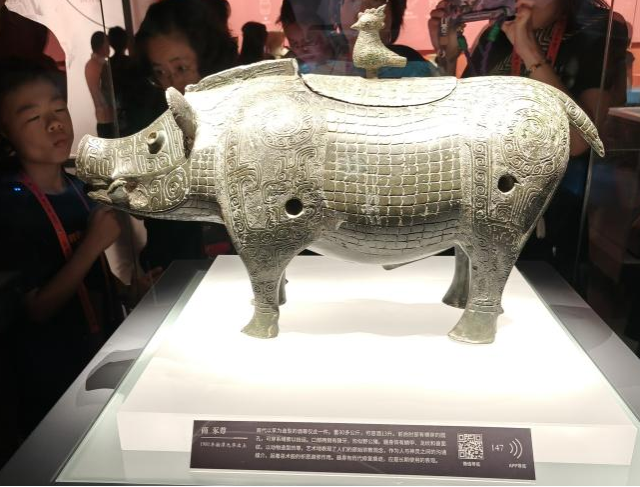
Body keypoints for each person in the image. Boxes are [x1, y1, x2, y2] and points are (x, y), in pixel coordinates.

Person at [429, 0, 629, 284]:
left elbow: (578, 141)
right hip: (485, 201)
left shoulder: (596, 29)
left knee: (535, 293)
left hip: (550, 208)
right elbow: (457, 121)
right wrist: (448, 58)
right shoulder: (497, 33)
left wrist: (528, 50)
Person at [0, 58, 123, 437]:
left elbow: (90, 273)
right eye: (33, 117)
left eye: (59, 109)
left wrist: (127, 290)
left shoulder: (77, 186)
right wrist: (93, 245)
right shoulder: (9, 205)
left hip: (100, 351)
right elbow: (36, 309)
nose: (54, 124)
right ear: (5, 132)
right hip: (49, 373)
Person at [132, 0, 238, 271]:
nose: (171, 85)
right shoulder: (157, 122)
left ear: (209, 60)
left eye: (180, 68)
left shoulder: (244, 112)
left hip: (239, 268)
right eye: (160, 72)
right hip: (177, 268)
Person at [337, 0, 438, 77]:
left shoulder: (414, 67)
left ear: (393, 14)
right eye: (353, 0)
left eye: (375, 0)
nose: (362, 8)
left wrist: (444, 55)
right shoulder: (330, 66)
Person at [85, 31, 114, 138]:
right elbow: (108, 92)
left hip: (101, 120)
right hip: (109, 119)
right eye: (107, 44)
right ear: (101, 46)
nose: (109, 48)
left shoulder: (89, 64)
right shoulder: (103, 65)